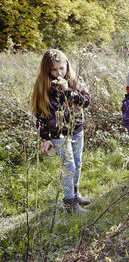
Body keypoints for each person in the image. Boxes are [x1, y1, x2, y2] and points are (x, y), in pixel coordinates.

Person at [30, 49, 91, 215]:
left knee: (77, 164)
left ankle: (76, 194)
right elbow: (39, 114)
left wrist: (68, 91)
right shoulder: (43, 86)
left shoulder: (74, 80)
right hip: (57, 134)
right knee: (69, 166)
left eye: (62, 68)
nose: (59, 73)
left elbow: (86, 101)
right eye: (54, 70)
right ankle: (69, 203)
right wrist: (44, 138)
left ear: (67, 66)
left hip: (76, 129)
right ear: (47, 70)